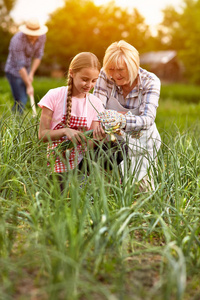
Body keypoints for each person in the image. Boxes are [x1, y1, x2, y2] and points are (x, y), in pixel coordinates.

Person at [93, 40, 161, 190]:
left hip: (142, 142)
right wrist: (104, 120)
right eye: (111, 69)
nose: (115, 75)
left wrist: (120, 120)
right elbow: (96, 108)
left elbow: (147, 119)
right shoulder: (105, 76)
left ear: (133, 66)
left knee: (144, 190)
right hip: (113, 141)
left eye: (121, 70)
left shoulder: (150, 82)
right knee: (110, 188)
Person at [38, 52, 106, 190]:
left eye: (94, 81)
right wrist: (64, 131)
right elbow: (42, 135)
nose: (89, 85)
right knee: (59, 198)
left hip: (82, 160)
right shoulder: (54, 96)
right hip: (58, 159)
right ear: (72, 73)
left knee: (118, 147)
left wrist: (98, 138)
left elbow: (90, 144)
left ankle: (90, 180)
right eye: (85, 79)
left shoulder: (96, 103)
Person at [5, 18, 48, 114]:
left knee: (21, 99)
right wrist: (29, 85)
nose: (33, 37)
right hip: (13, 71)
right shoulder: (17, 40)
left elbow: (38, 56)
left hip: (26, 71)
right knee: (21, 99)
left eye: (35, 34)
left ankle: (16, 118)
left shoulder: (42, 37)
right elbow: (20, 66)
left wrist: (31, 73)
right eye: (31, 35)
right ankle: (15, 123)